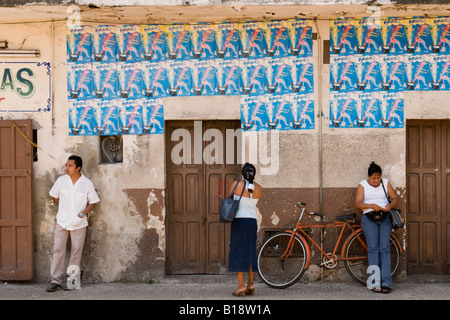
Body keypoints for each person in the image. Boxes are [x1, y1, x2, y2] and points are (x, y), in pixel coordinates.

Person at [46, 155, 100, 292]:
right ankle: (55, 281)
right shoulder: (61, 181)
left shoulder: (86, 183)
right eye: (66, 165)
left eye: (70, 166)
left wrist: (82, 213)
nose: (66, 168)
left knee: (76, 251)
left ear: (78, 167)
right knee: (58, 250)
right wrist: (63, 207)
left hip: (78, 222)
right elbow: (54, 196)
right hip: (62, 221)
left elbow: (93, 201)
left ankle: (72, 281)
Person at [355, 161, 398, 294]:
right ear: (369, 177)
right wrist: (371, 206)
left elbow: (395, 198)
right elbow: (357, 203)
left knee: (384, 249)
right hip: (369, 219)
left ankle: (386, 282)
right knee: (373, 249)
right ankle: (375, 282)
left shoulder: (385, 183)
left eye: (378, 177)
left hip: (385, 219)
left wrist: (389, 206)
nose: (376, 180)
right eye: (373, 178)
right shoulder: (362, 185)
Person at [227, 163, 262, 297]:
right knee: (250, 252)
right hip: (252, 221)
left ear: (243, 173)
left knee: (238, 252)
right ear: (254, 174)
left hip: (239, 221)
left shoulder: (237, 184)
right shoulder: (258, 188)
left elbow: (228, 197)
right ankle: (251, 284)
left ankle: (241, 286)